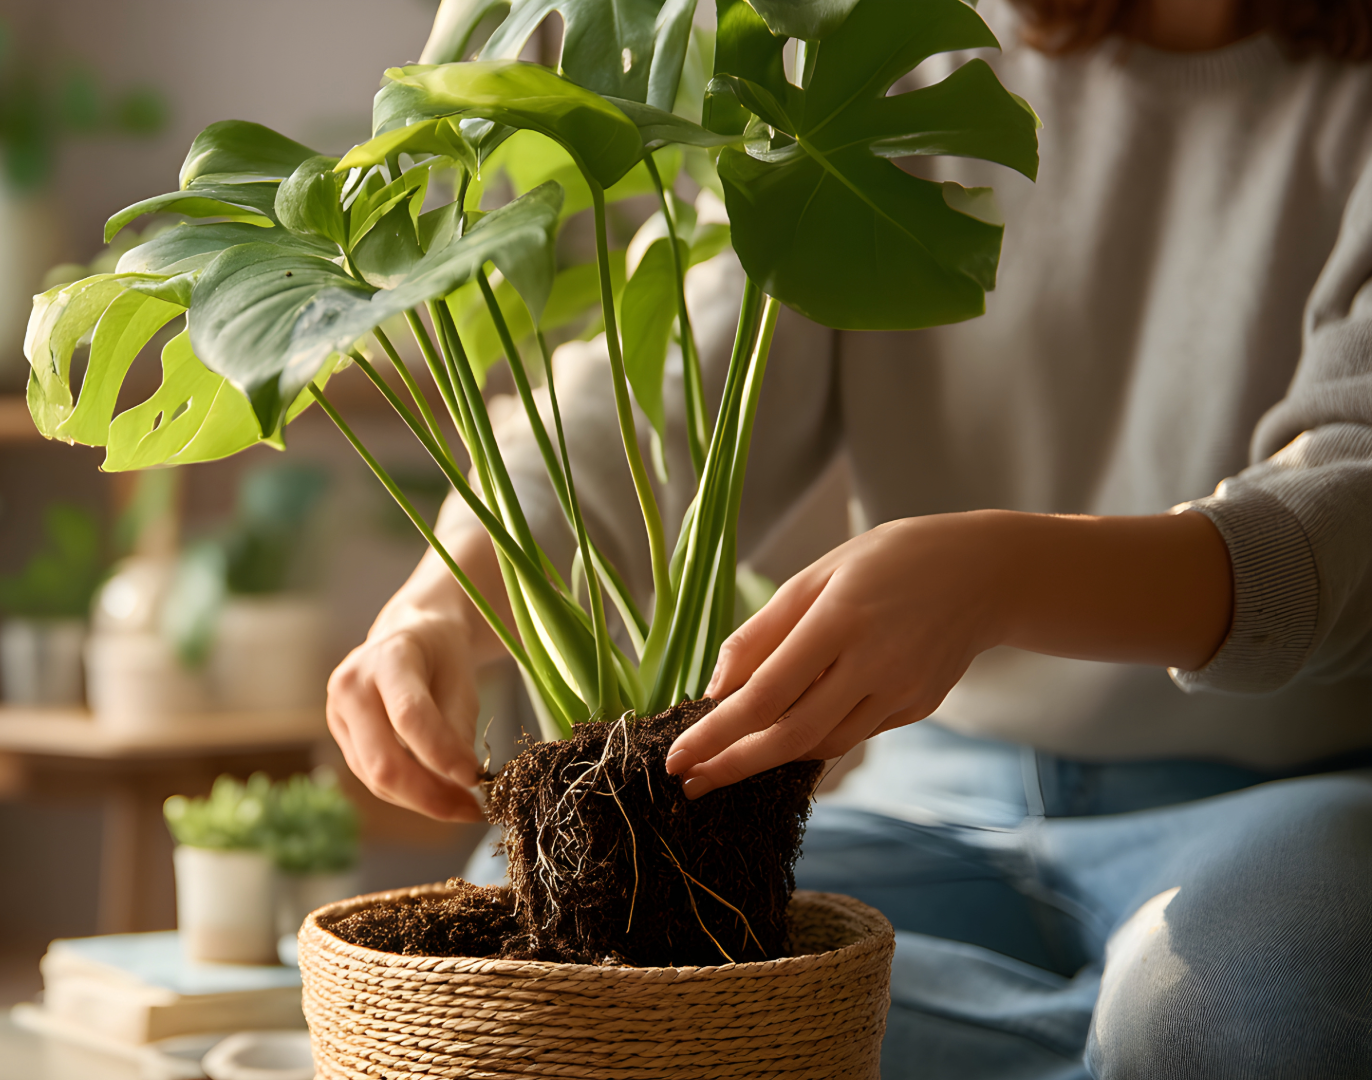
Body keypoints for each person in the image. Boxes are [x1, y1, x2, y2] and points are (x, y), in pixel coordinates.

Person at [323, 1, 1372, 1077]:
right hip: (934, 801)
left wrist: (1001, 578)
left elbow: (1343, 516)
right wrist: (442, 599)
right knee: (541, 957)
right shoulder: (894, 49)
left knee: (1243, 1015)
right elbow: (661, 405)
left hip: (1288, 804)